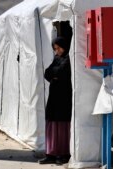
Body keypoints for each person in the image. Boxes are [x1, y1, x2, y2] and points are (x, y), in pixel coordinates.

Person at [39, 37, 72, 165]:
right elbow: (47, 73)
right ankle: (51, 153)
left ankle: (62, 153)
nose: (57, 51)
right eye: (55, 49)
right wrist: (54, 75)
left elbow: (62, 72)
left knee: (62, 124)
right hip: (54, 96)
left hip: (64, 97)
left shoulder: (69, 58)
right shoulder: (57, 59)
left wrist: (55, 74)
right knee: (52, 122)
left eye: (58, 48)